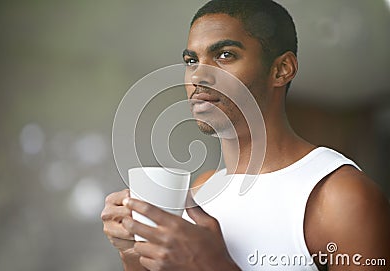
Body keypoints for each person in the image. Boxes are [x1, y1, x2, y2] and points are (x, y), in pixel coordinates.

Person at [101, 1, 390, 270]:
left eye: (224, 55)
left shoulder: (339, 196)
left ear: (281, 70)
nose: (198, 76)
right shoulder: (202, 190)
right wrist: (133, 254)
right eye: (191, 60)